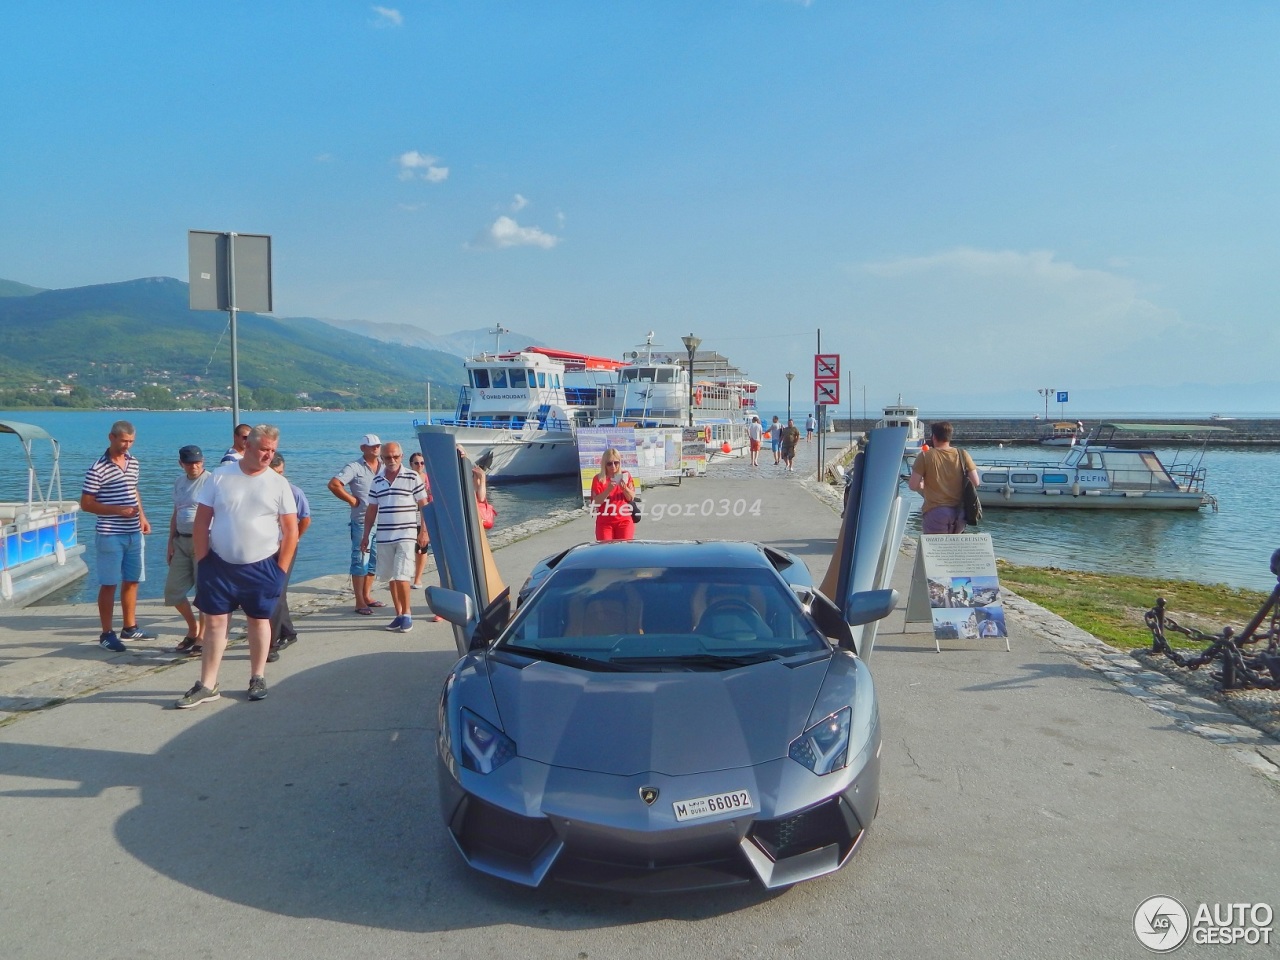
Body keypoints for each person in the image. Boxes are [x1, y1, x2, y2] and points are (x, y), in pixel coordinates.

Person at [175, 424, 298, 708]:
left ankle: (257, 676)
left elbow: (290, 531)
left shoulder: (279, 484)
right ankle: (207, 684)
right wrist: (204, 561)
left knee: (258, 621)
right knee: (216, 623)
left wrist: (280, 570)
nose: (269, 455)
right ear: (249, 447)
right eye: (264, 449)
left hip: (263, 566)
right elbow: (202, 521)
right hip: (218, 565)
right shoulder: (219, 477)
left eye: (273, 450)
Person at [80, 420, 153, 652]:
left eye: (131, 441)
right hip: (110, 534)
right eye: (123, 441)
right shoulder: (97, 468)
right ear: (111, 438)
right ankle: (106, 633)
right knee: (109, 583)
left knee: (132, 580)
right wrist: (117, 510)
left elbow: (133, 489)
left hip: (133, 532)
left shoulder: (133, 463)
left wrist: (142, 516)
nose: (127, 446)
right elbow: (86, 503)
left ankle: (130, 627)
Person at [361, 441, 428, 632]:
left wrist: (424, 531)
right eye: (388, 457)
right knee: (390, 577)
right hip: (384, 535)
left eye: (396, 456)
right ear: (382, 458)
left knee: (401, 576)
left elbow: (424, 505)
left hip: (406, 534)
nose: (392, 460)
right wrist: (366, 535)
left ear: (401, 455)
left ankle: (407, 614)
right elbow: (372, 509)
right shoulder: (377, 480)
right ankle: (398, 614)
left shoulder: (412, 476)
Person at [328, 434, 383, 615]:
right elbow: (334, 484)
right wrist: (352, 500)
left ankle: (367, 596)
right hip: (362, 521)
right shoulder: (355, 467)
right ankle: (359, 601)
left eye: (377, 445)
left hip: (382, 521)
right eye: (371, 446)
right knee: (360, 560)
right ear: (363, 448)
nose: (376, 448)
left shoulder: (384, 466)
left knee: (374, 561)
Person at [166, 445, 211, 656]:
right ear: (181, 464)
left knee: (203, 590)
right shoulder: (179, 482)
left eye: (197, 462)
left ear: (203, 461)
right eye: (189, 462)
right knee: (173, 592)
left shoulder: (211, 481)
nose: (194, 466)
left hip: (204, 540)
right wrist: (170, 542)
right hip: (181, 541)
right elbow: (176, 512)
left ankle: (202, 636)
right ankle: (193, 628)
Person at [266, 453, 311, 661]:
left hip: (286, 547)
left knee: (276, 592)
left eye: (282, 473)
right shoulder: (261, 491)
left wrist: (294, 539)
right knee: (275, 593)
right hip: (263, 548)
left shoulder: (294, 492)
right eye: (275, 473)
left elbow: (305, 519)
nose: (279, 478)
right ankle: (288, 632)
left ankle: (270, 643)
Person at [908, 421, 981, 535]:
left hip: (936, 512)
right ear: (949, 437)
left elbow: (913, 485)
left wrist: (922, 485)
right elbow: (976, 482)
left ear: (934, 437)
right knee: (953, 551)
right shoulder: (963, 454)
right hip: (959, 513)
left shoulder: (925, 456)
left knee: (935, 551)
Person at [590, 448, 636, 541]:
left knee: (624, 550)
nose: (613, 466)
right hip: (604, 523)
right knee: (606, 551)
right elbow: (595, 503)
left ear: (619, 462)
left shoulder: (625, 475)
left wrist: (624, 489)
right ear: (604, 464)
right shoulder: (598, 479)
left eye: (616, 463)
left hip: (624, 520)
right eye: (609, 463)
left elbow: (631, 497)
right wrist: (608, 490)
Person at [408, 451, 432, 590]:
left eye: (422, 463)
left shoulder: (428, 479)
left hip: (423, 515)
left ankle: (418, 578)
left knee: (421, 547)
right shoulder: (407, 478)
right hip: (408, 515)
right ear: (411, 464)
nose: (419, 465)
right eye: (416, 463)